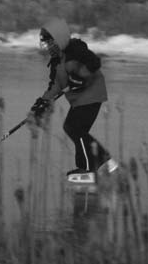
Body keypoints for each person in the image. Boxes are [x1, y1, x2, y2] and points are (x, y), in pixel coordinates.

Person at [29, 17, 118, 182]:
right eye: (46, 43)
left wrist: (81, 77)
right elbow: (55, 85)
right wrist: (42, 103)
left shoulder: (76, 50)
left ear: (58, 39)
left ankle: (92, 168)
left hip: (92, 94)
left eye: (49, 43)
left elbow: (94, 63)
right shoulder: (56, 61)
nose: (47, 47)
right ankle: (100, 164)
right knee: (76, 130)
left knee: (74, 128)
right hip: (79, 99)